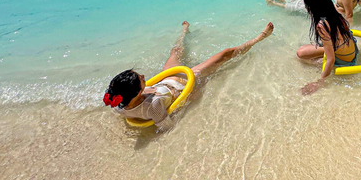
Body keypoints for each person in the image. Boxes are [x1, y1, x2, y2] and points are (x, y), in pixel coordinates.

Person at [104, 21, 274, 131]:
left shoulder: (117, 105)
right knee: (225, 54)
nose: (143, 75)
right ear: (137, 92)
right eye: (140, 78)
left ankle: (185, 32)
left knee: (175, 52)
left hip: (166, 80)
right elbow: (166, 126)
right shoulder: (153, 105)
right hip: (184, 81)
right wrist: (191, 98)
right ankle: (259, 38)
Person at [296, 0, 357, 95]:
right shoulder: (336, 12)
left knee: (300, 53)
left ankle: (319, 61)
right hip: (352, 52)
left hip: (344, 61)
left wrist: (319, 83)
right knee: (304, 48)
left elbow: (331, 59)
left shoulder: (322, 25)